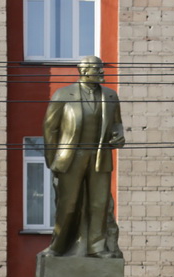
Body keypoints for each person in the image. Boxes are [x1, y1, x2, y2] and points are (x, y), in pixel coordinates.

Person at [41, 55, 126, 259]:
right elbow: (50, 129)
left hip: (99, 157)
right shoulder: (63, 94)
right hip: (71, 157)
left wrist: (118, 137)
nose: (102, 73)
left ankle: (97, 247)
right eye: (97, 69)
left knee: (99, 204)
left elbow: (117, 125)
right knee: (68, 204)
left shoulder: (111, 96)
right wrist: (53, 160)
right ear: (84, 71)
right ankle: (58, 246)